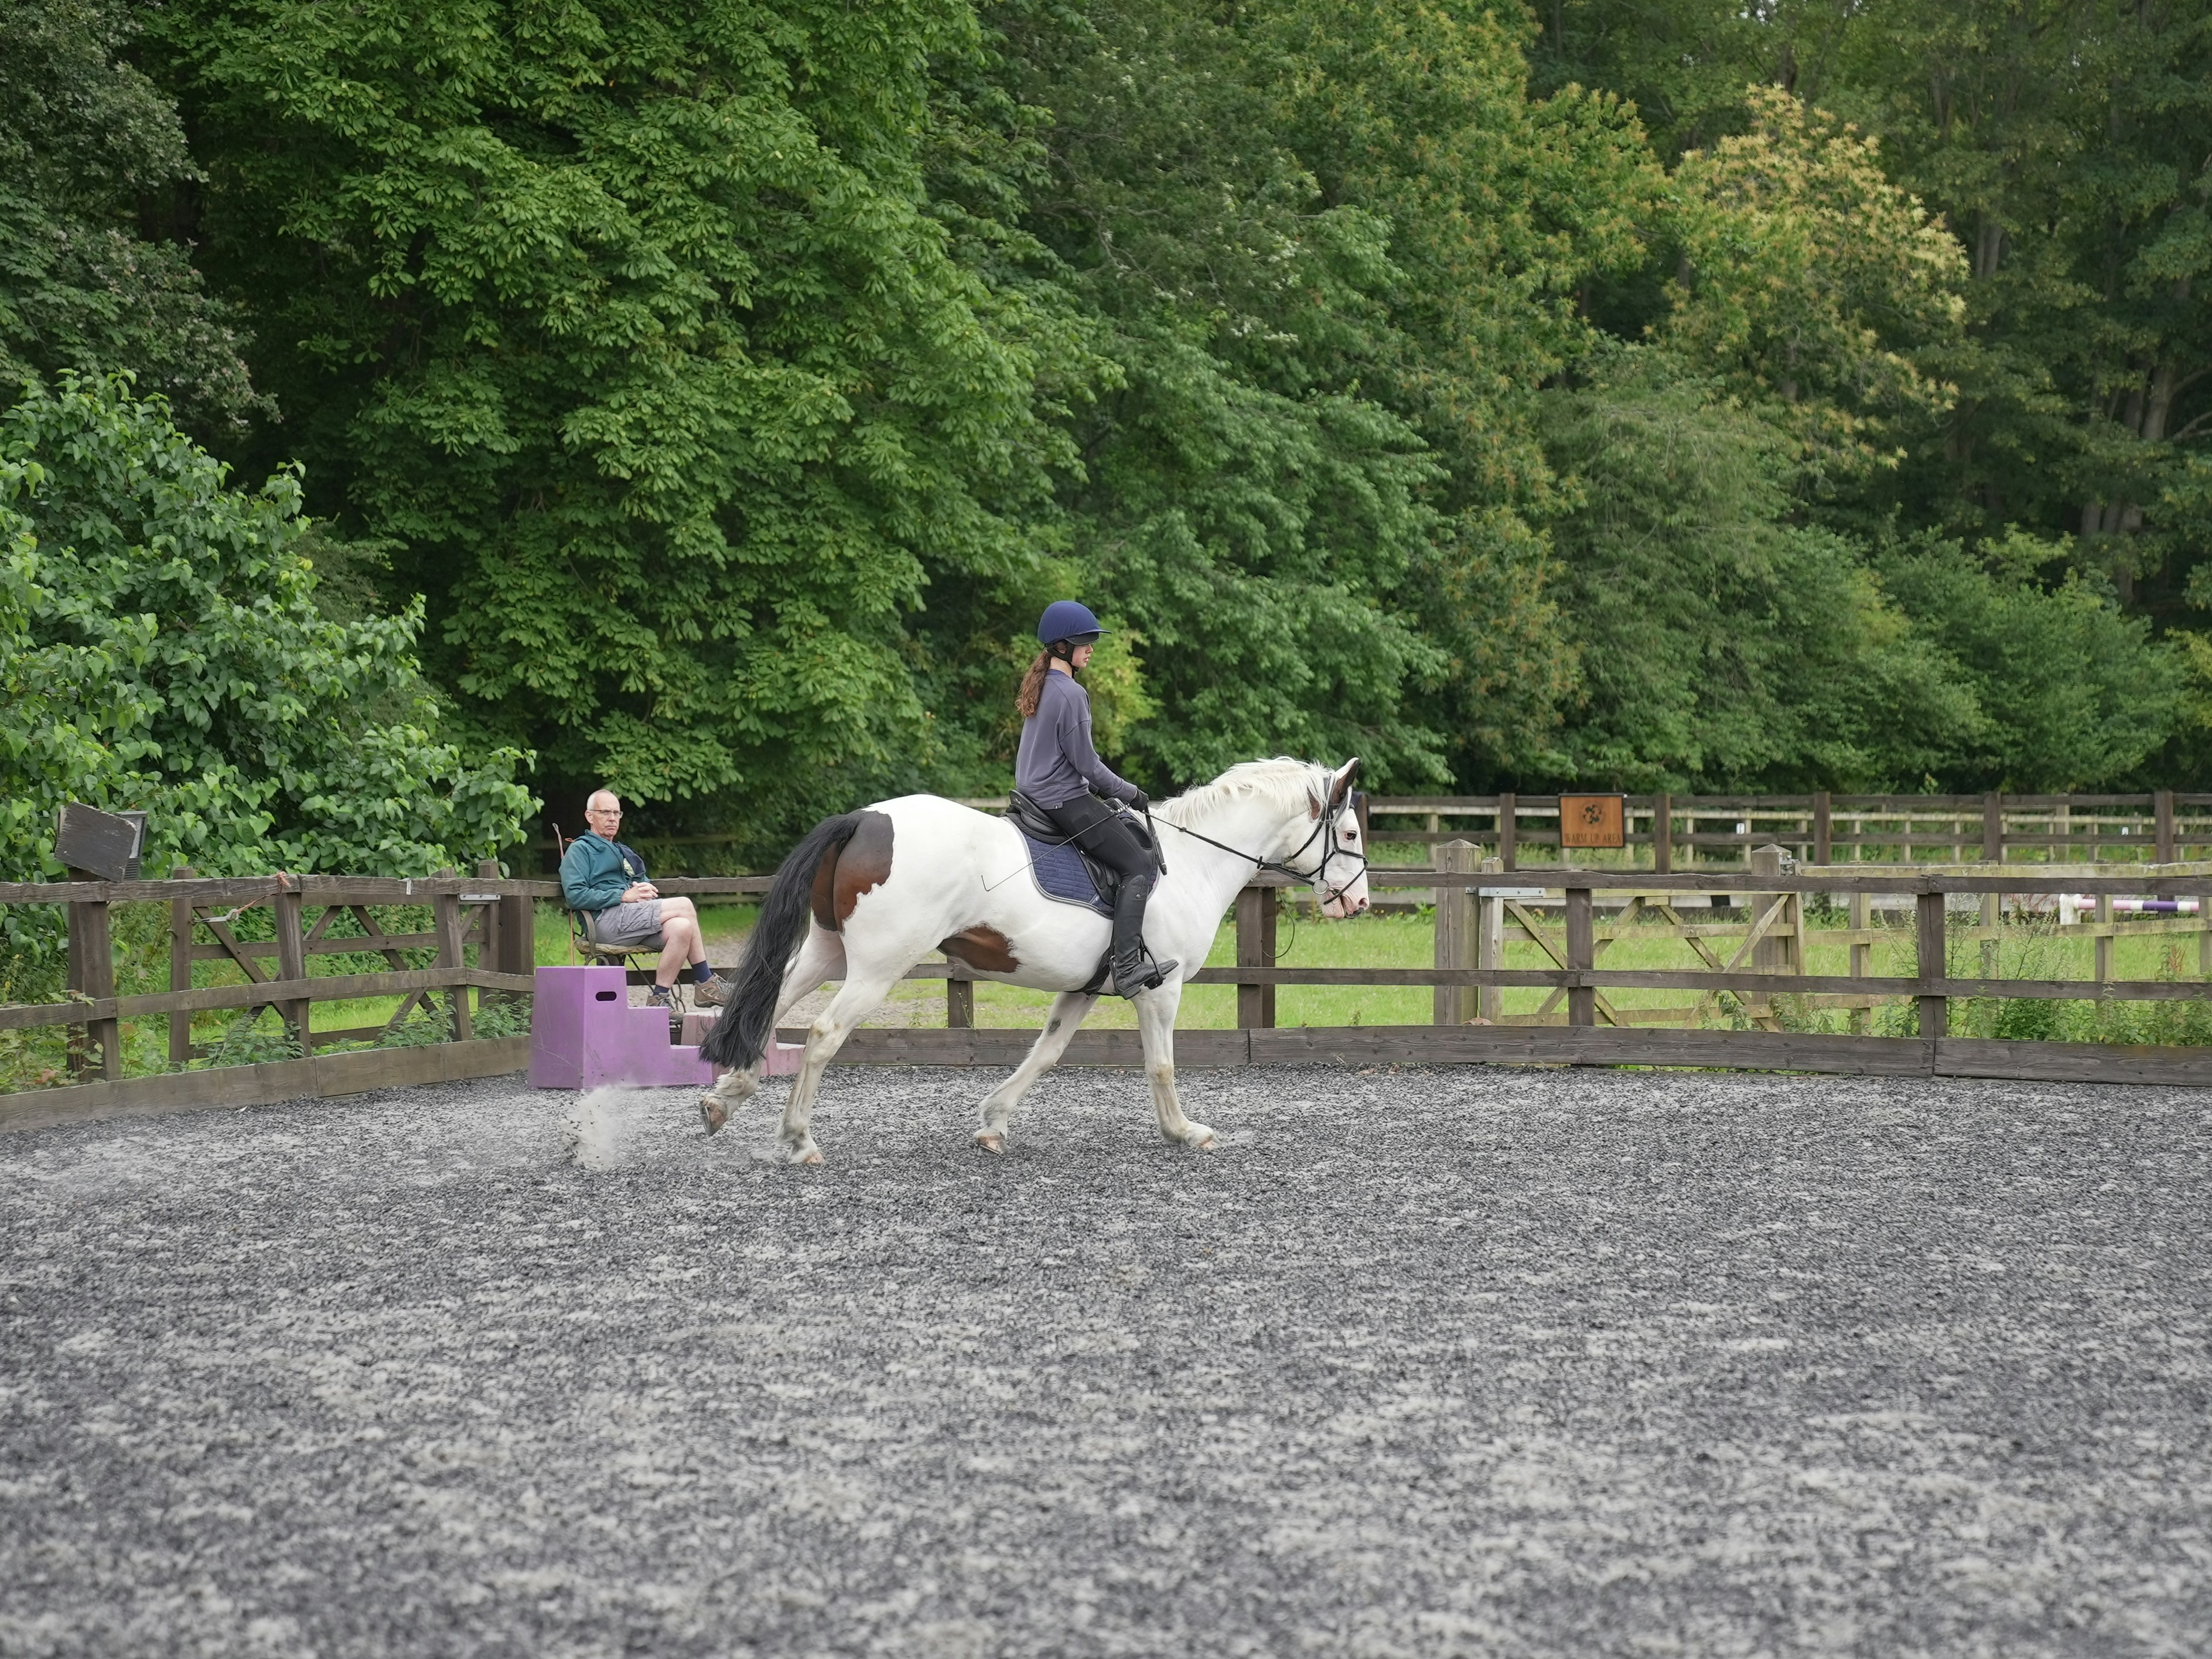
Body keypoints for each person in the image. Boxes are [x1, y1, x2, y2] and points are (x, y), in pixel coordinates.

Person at [1013, 600, 1177, 993]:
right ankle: (1127, 967)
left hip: (1035, 796)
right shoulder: (1071, 694)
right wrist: (1131, 792)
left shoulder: (1044, 685)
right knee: (1139, 864)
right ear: (1063, 647)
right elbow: (1087, 764)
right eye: (1085, 642)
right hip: (1063, 800)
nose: (1091, 649)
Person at [559, 790, 732, 1009]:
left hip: (630, 921)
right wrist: (623, 896)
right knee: (685, 905)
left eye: (616, 813)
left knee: (682, 927)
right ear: (589, 816)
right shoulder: (580, 850)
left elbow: (640, 881)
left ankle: (659, 999)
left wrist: (643, 889)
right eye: (605, 812)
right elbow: (575, 896)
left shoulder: (622, 851)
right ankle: (706, 983)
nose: (612, 818)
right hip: (603, 923)